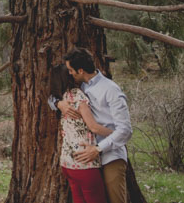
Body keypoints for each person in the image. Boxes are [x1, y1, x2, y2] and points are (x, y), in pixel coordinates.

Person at [49, 47, 133, 203]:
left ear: (80, 70)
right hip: (86, 157)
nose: (69, 73)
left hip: (110, 153)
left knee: (114, 199)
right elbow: (52, 96)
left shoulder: (111, 90)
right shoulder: (78, 86)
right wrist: (59, 103)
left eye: (70, 70)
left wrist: (98, 149)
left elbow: (125, 130)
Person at [50, 63, 113, 203]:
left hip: (68, 162)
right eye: (70, 71)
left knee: (79, 199)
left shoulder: (63, 97)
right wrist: (116, 133)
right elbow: (94, 127)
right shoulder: (77, 96)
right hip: (85, 162)